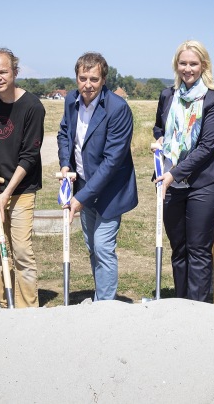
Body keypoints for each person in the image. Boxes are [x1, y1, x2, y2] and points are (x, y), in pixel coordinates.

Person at [57, 52, 138, 301]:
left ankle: (105, 307)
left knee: (103, 246)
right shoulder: (71, 100)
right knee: (92, 247)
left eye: (94, 79)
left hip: (110, 191)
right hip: (82, 184)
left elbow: (112, 161)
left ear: (103, 79)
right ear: (77, 77)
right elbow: (64, 134)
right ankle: (101, 295)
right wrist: (64, 165)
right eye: (83, 78)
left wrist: (80, 198)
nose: (87, 85)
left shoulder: (118, 108)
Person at [0, 48, 45, 308]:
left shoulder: (32, 106)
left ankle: (28, 308)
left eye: (3, 71)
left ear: (15, 71)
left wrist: (7, 194)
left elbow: (29, 156)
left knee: (22, 252)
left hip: (21, 190)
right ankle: (6, 302)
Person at [153, 40, 214, 302]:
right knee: (178, 249)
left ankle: (197, 310)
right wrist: (161, 139)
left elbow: (207, 146)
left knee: (197, 250)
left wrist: (173, 174)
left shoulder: (213, 100)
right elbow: (159, 127)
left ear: (203, 65)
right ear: (176, 65)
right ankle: (180, 307)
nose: (188, 68)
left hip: (203, 185)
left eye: (193, 63)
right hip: (171, 187)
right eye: (183, 63)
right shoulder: (167, 96)